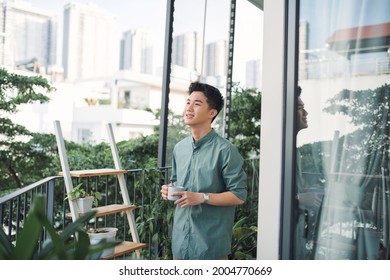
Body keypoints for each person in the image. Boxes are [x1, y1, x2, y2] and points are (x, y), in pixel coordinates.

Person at [160, 82, 247, 260]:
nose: (189, 108)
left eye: (197, 104)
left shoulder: (226, 150)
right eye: (187, 102)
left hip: (211, 248)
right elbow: (178, 183)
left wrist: (202, 197)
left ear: (212, 113)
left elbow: (239, 195)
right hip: (180, 246)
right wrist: (169, 189)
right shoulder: (179, 148)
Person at [295, 86, 324, 259]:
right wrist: (300, 198)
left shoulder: (294, 150)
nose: (306, 113)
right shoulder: (279, 151)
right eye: (300, 108)